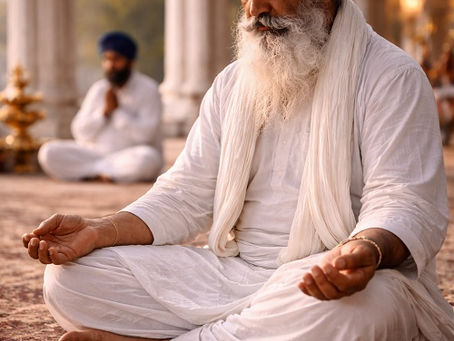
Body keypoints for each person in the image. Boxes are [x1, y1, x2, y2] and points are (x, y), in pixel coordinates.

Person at [23, 0, 454, 340]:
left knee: (366, 311)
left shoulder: (389, 75)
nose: (255, 10)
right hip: (233, 273)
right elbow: (186, 192)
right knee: (70, 279)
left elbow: (404, 200)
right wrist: (100, 230)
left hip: (323, 281)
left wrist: (366, 251)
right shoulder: (232, 83)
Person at [38, 31, 163, 183]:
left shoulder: (148, 89)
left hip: (127, 155)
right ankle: (104, 173)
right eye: (106, 59)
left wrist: (117, 112)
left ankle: (90, 173)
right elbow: (79, 132)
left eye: (117, 59)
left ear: (130, 62)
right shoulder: (98, 89)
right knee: (48, 152)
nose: (111, 65)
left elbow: (145, 135)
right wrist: (104, 113)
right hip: (94, 153)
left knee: (149, 159)